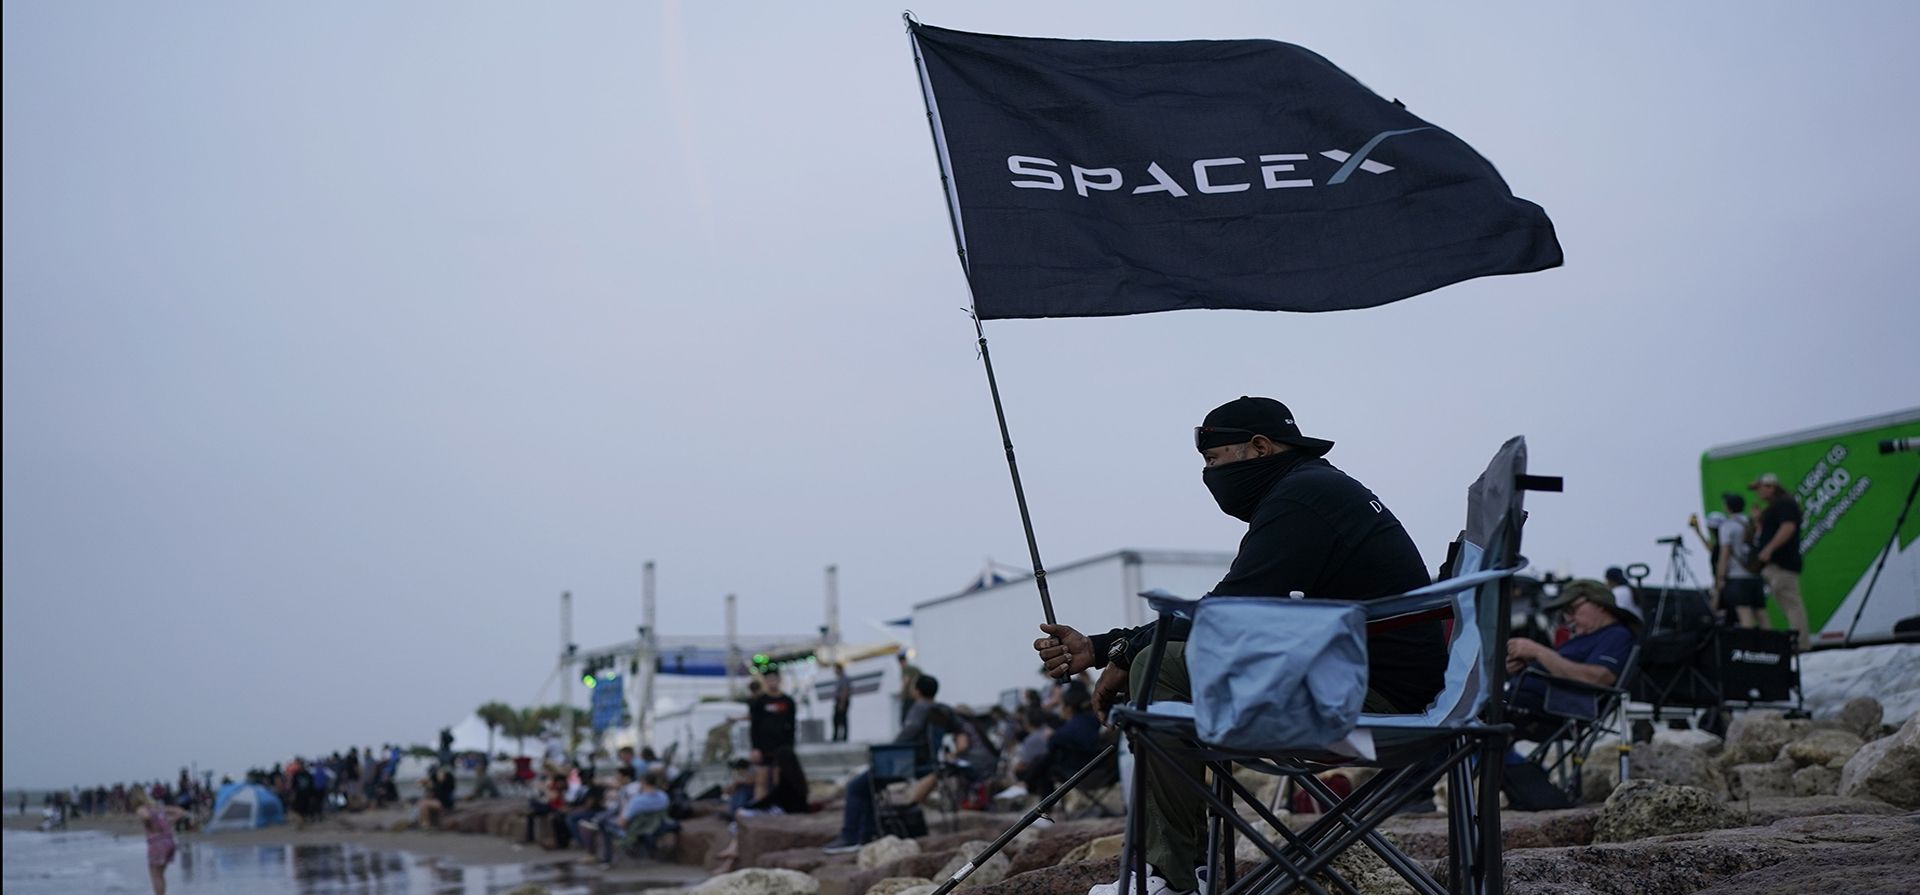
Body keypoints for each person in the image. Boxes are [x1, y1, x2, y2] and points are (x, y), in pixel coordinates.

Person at [1033, 397, 1446, 895]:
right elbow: (1239, 614)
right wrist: (1106, 648)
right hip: (1367, 685)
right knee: (1161, 659)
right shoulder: (1316, 489)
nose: (1208, 477)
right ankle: (1181, 869)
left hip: (1369, 701)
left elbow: (1226, 614)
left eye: (1213, 460)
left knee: (1160, 666)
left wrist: (1119, 653)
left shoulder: (1302, 498)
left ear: (1259, 447)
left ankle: (1173, 877)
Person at [822, 673, 951, 852]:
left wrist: (885, 753)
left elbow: (906, 737)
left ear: (917, 691)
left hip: (906, 764)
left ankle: (849, 837)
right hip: (926, 764)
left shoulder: (919, 708)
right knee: (866, 787)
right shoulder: (942, 710)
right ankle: (866, 836)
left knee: (855, 787)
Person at [1505, 579, 1639, 724]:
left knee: (1482, 709)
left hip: (1552, 709)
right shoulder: (1584, 638)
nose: (1568, 619)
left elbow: (1598, 678)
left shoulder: (1616, 635)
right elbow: (1563, 666)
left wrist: (1539, 652)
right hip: (1525, 701)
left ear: (1599, 604)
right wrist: (1526, 666)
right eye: (1564, 613)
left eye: (1571, 609)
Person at [1750, 472, 1808, 649]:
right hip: (1776, 565)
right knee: (1787, 604)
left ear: (1770, 487)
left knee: (1792, 605)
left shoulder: (1784, 504)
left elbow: (1788, 527)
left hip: (1782, 564)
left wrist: (1768, 549)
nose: (1758, 493)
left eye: (1760, 488)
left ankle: (1799, 644)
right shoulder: (1777, 506)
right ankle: (1798, 642)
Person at [1706, 494, 1765, 628]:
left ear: (1727, 508)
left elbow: (1724, 553)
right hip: (1755, 573)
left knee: (1744, 613)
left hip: (1738, 576)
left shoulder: (1728, 526)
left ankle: (1749, 645)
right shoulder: (1750, 522)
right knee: (1761, 613)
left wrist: (1720, 577)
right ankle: (1775, 645)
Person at [129, 787, 186, 895]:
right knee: (160, 875)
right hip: (169, 841)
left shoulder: (141, 809)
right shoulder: (158, 807)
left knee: (155, 875)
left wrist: (148, 819)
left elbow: (146, 816)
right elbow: (179, 812)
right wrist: (169, 821)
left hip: (157, 843)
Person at [832, 663, 853, 742]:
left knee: (841, 719)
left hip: (841, 701)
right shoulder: (840, 678)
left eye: (835, 669)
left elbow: (845, 691)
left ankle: (843, 737)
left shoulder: (844, 679)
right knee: (837, 720)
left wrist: (842, 703)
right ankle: (838, 737)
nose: (834, 671)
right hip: (840, 701)